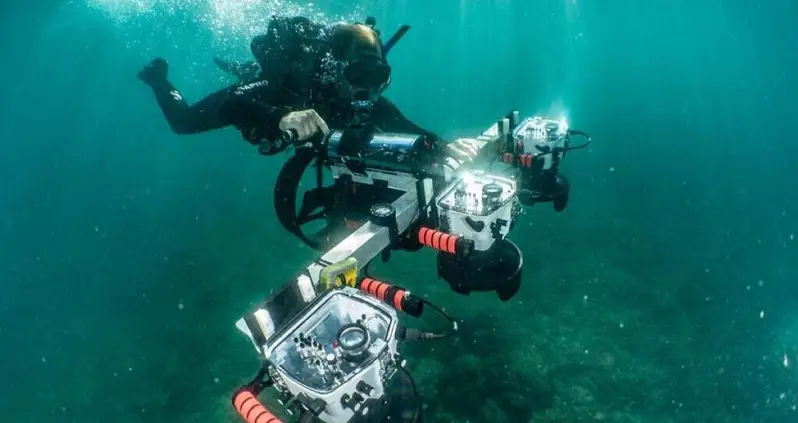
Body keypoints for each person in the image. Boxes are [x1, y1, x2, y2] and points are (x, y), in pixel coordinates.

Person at [137, 16, 478, 162]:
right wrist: (280, 117)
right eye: (360, 75)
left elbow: (398, 123)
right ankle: (157, 78)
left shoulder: (364, 96)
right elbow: (240, 101)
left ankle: (243, 68)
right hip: (265, 92)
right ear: (336, 68)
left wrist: (441, 146)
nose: (369, 90)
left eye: (379, 78)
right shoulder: (295, 78)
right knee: (182, 123)